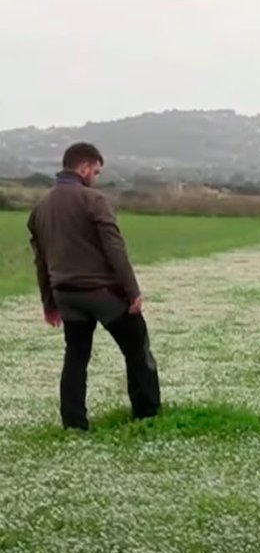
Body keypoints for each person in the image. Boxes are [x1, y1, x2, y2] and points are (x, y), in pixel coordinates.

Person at [27, 142, 161, 430]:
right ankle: (147, 415)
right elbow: (115, 248)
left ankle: (73, 423)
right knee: (136, 346)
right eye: (96, 172)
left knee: (76, 357)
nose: (96, 177)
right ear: (84, 168)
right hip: (102, 293)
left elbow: (41, 261)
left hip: (65, 295)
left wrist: (49, 303)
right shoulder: (94, 200)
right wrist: (132, 291)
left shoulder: (39, 208)